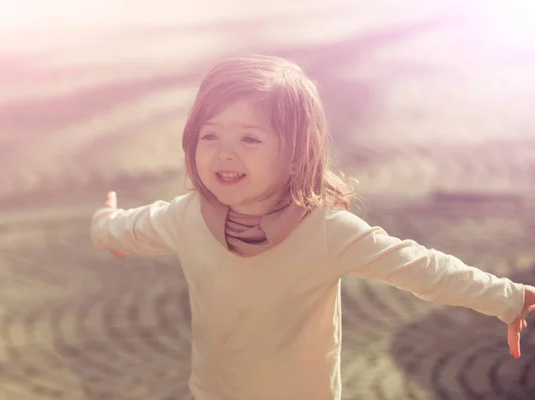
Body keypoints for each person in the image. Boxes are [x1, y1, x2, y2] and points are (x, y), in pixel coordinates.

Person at [90, 54, 534, 400]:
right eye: (210, 136)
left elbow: (419, 267)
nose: (225, 154)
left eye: (249, 138)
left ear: (294, 151)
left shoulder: (326, 232)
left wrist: (507, 297)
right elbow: (122, 229)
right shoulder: (184, 217)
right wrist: (105, 224)